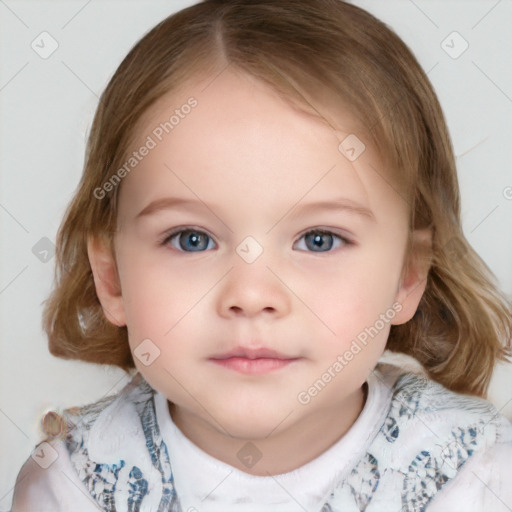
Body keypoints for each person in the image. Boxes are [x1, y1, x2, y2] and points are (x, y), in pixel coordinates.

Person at [11, 0, 512, 511]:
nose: (251, 296)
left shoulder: (477, 476)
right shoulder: (73, 482)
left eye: (319, 240)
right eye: (191, 239)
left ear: (407, 275)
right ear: (112, 277)